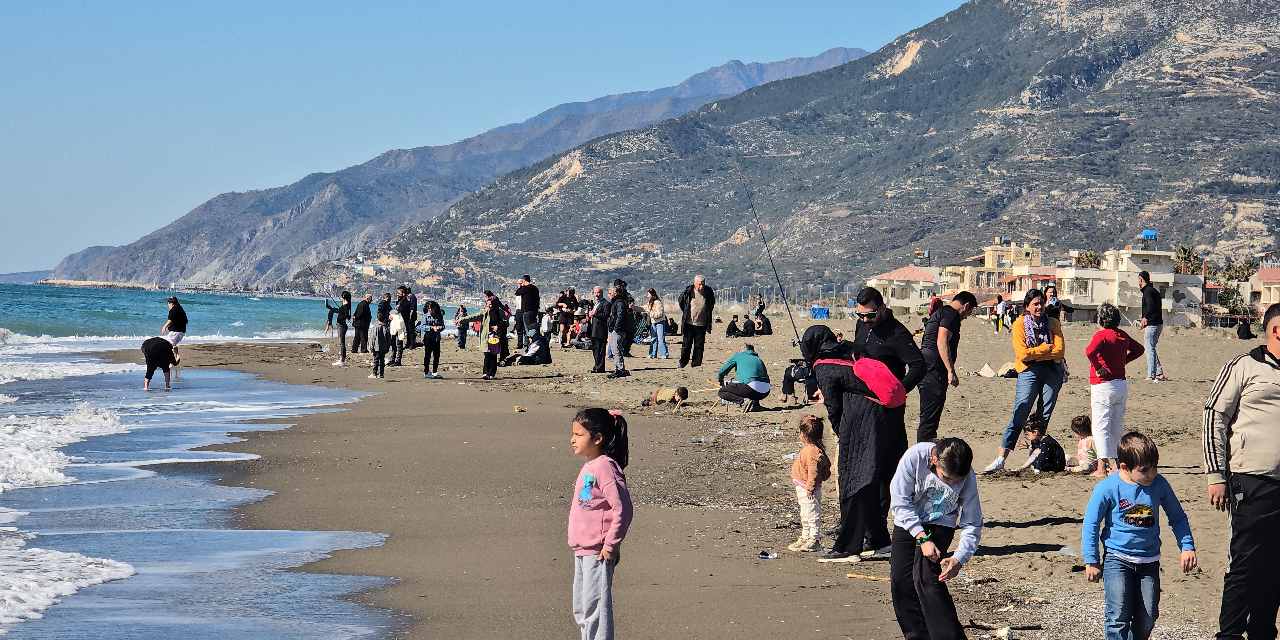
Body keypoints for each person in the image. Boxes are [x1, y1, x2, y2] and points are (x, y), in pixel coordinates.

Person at [1204, 302, 1280, 639]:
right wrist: (1216, 475)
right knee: (1246, 564)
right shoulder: (1243, 366)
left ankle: (1262, 631)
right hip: (1251, 479)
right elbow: (1213, 417)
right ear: (1276, 331)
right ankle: (1230, 634)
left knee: (1275, 566)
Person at [803, 325, 904, 564]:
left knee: (852, 480)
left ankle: (848, 547)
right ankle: (879, 541)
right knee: (873, 479)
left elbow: (834, 408)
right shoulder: (851, 349)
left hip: (862, 418)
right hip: (890, 416)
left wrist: (841, 434)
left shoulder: (823, 366)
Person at [1083, 432, 1197, 640]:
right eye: (1145, 470)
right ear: (1125, 467)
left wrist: (1187, 546)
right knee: (1118, 616)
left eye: (1155, 467)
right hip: (1117, 559)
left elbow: (1177, 517)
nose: (1152, 473)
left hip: (1149, 561)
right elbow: (1091, 523)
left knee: (1148, 616)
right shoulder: (1107, 488)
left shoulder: (1159, 484)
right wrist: (1092, 560)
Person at [889, 437, 982, 640]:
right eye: (947, 478)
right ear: (934, 460)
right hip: (908, 518)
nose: (952, 484)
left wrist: (959, 558)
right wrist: (922, 538)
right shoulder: (915, 457)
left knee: (926, 579)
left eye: (957, 481)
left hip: (941, 522)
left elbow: (972, 522)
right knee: (900, 582)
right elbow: (899, 501)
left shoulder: (967, 476)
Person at [853, 287, 925, 548]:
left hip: (889, 407)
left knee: (887, 467)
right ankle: (866, 526)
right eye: (860, 316)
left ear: (882, 308)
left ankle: (885, 530)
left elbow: (919, 365)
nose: (864, 321)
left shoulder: (897, 332)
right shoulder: (862, 326)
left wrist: (899, 392)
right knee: (864, 464)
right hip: (864, 404)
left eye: (870, 316)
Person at [982, 288, 1066, 474]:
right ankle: (1001, 458)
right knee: (1021, 410)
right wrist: (1045, 349)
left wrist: (1036, 354)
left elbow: (1059, 351)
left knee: (1045, 413)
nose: (1039, 307)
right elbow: (1022, 355)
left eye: (1041, 303)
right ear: (1027, 306)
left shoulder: (1053, 323)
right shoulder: (1020, 324)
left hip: (1052, 371)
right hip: (1028, 371)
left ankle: (1035, 455)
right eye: (1035, 304)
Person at [568, 408, 633, 640]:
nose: (572, 439)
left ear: (597, 438)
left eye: (579, 434)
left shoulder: (605, 467)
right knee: (582, 607)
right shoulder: (590, 465)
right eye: (572, 433)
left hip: (598, 551)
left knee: (596, 608)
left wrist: (610, 544)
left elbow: (623, 509)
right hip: (583, 548)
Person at [1084, 303, 1144, 477]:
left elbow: (1089, 351)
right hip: (1120, 384)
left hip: (1102, 385)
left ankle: (1102, 468)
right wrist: (1124, 361)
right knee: (1116, 426)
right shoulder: (1121, 335)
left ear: (1101, 319)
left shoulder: (1101, 335)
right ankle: (1118, 464)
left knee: (1100, 426)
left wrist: (1098, 366)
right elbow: (1139, 349)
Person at [917, 292, 977, 442]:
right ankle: (923, 454)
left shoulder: (942, 312)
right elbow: (942, 340)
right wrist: (951, 371)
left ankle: (925, 448)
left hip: (926, 368)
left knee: (928, 416)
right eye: (969, 312)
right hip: (933, 370)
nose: (967, 316)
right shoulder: (951, 315)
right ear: (966, 306)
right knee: (929, 419)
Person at [788, 415, 832, 553]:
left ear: (804, 435)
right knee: (805, 513)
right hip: (803, 485)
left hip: (808, 488)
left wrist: (810, 487)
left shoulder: (812, 451)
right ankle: (806, 536)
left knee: (812, 513)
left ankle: (814, 539)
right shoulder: (811, 449)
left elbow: (814, 472)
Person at [457, 292, 509, 380]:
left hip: (496, 336)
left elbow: (506, 322)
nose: (490, 306)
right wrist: (461, 320)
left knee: (493, 355)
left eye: (491, 305)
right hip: (486, 336)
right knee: (487, 354)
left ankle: (492, 373)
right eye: (488, 305)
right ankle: (485, 373)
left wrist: (498, 326)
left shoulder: (500, 312)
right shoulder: (484, 312)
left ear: (495, 304)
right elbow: (474, 317)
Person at [717, 344, 771, 411]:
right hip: (765, 391)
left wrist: (720, 380)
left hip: (751, 388)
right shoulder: (759, 359)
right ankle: (755, 405)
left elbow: (722, 371)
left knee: (722, 392)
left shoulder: (739, 356)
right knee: (753, 383)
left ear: (743, 349)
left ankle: (743, 402)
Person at [677, 275, 715, 368]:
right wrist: (686, 312)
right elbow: (681, 302)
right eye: (699, 284)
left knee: (699, 346)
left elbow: (711, 304)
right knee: (686, 345)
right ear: (695, 283)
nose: (701, 287)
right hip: (689, 323)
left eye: (703, 284)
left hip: (701, 324)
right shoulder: (688, 291)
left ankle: (696, 364)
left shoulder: (708, 292)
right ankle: (683, 362)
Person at [1138, 271, 1168, 382]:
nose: (1138, 282)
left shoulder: (1148, 292)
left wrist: (1145, 317)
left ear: (1141, 279)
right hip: (1157, 324)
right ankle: (1159, 373)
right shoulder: (1152, 290)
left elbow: (1150, 306)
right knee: (1151, 348)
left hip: (1153, 324)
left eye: (1138, 279)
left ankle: (1151, 375)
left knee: (1149, 349)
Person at [605, 282, 631, 379]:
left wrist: (616, 328)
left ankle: (620, 369)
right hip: (615, 329)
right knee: (615, 350)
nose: (609, 294)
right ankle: (618, 368)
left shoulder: (619, 302)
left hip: (618, 330)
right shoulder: (617, 302)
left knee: (616, 350)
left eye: (611, 292)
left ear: (616, 293)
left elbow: (620, 316)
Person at [161, 296, 188, 378]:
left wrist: (164, 326)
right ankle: (176, 356)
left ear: (171, 303)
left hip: (176, 332)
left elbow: (170, 320)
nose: (168, 305)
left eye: (168, 304)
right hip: (181, 332)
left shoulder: (173, 310)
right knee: (172, 345)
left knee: (167, 345)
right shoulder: (180, 308)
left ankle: (170, 362)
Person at [325, 291, 352, 367]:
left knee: (342, 343)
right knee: (341, 343)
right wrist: (335, 310)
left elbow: (345, 315)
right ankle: (341, 359)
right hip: (342, 325)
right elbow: (345, 314)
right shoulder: (346, 306)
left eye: (341, 296)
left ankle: (342, 361)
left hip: (342, 326)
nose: (340, 298)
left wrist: (338, 311)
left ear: (343, 297)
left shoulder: (345, 306)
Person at [420, 300, 445, 379]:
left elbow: (443, 326)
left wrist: (439, 328)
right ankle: (426, 372)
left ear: (435, 308)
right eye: (429, 308)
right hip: (428, 337)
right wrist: (431, 328)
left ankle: (434, 372)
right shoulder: (425, 316)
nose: (430, 310)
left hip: (436, 338)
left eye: (431, 308)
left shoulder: (439, 315)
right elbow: (421, 327)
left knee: (436, 356)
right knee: (427, 355)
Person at [515, 275, 541, 350]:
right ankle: (531, 343)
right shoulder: (535, 288)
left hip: (527, 311)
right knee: (532, 328)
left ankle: (530, 344)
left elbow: (517, 292)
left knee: (527, 329)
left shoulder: (525, 288)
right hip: (534, 311)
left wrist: (521, 285)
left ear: (524, 280)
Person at [587, 286, 609, 374]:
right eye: (595, 293)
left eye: (598, 292)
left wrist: (595, 314)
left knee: (600, 350)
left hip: (601, 330)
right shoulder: (595, 304)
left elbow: (605, 315)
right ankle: (597, 366)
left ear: (602, 293)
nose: (596, 294)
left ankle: (600, 367)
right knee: (595, 349)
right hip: (594, 329)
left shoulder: (606, 303)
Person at [645, 288, 668, 359]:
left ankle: (664, 354)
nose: (647, 296)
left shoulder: (658, 302)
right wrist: (634, 308)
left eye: (648, 294)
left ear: (652, 295)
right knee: (653, 338)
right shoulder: (649, 303)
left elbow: (660, 313)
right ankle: (652, 354)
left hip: (660, 322)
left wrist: (651, 314)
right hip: (653, 323)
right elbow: (643, 308)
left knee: (661, 338)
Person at [369, 312, 390, 380]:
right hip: (383, 347)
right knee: (382, 361)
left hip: (377, 347)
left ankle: (374, 373)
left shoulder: (375, 327)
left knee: (376, 360)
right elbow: (388, 339)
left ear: (377, 319)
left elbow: (372, 338)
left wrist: (371, 346)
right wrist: (388, 347)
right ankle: (381, 374)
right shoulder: (386, 327)